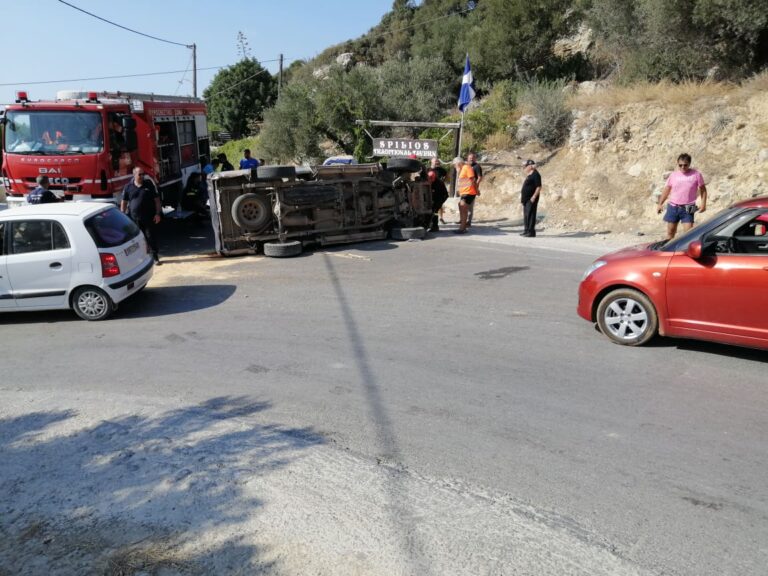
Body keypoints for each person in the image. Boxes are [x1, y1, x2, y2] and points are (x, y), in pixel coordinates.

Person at [656, 153, 707, 240]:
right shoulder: (673, 175)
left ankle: (686, 252)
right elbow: (667, 189)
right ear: (678, 164)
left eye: (685, 165)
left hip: (689, 207)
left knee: (689, 234)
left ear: (689, 164)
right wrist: (660, 203)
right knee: (670, 232)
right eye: (680, 165)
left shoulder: (696, 174)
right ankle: (669, 251)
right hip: (673, 207)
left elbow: (703, 190)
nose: (683, 167)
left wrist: (703, 204)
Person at [121, 167, 162, 264]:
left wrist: (158, 214)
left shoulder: (149, 185)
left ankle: (155, 257)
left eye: (143, 174)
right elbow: (124, 202)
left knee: (150, 236)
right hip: (135, 219)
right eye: (140, 174)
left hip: (149, 217)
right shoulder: (128, 187)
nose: (142, 176)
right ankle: (142, 258)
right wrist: (123, 216)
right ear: (134, 175)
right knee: (138, 239)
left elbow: (157, 200)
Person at [453, 156, 478, 234]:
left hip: (469, 192)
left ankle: (462, 228)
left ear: (459, 163)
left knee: (463, 208)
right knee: (461, 206)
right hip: (464, 192)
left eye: (455, 165)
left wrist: (477, 190)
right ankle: (462, 227)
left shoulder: (467, 167)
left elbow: (473, 179)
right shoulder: (462, 169)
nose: (454, 166)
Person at [520, 159, 541, 237]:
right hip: (526, 199)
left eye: (526, 166)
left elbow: (538, 187)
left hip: (531, 198)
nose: (524, 167)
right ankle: (526, 230)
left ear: (531, 166)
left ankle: (531, 232)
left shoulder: (536, 174)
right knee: (526, 215)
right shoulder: (529, 175)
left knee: (531, 215)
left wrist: (534, 196)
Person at [427, 158, 448, 232]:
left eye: (437, 161)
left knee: (435, 209)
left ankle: (435, 226)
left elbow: (446, 176)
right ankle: (431, 224)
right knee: (432, 209)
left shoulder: (439, 181)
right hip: (434, 194)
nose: (437, 162)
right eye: (435, 161)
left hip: (441, 195)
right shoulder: (428, 171)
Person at [466, 152, 483, 226]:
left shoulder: (477, 166)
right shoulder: (466, 166)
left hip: (472, 189)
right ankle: (463, 220)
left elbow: (479, 177)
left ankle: (468, 221)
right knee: (464, 205)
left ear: (475, 158)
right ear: (467, 159)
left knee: (470, 206)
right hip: (465, 188)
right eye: (470, 158)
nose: (471, 159)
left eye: (473, 158)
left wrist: (476, 186)